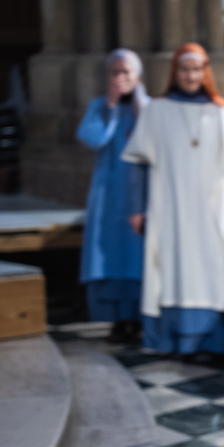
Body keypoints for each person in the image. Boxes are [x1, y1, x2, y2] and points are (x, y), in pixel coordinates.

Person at [122, 43, 224, 359]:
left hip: (214, 209)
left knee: (215, 271)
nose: (191, 76)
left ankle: (215, 343)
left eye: (196, 70)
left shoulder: (221, 112)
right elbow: (139, 164)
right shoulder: (156, 111)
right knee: (171, 270)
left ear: (205, 72)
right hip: (170, 208)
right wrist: (136, 207)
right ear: (175, 72)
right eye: (185, 69)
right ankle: (171, 341)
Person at [76, 48, 149, 343]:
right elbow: (93, 138)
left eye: (126, 72)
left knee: (138, 253)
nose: (121, 78)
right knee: (109, 253)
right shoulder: (99, 106)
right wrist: (111, 107)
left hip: (139, 192)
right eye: (115, 72)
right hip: (108, 192)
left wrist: (140, 109)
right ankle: (117, 318)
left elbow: (154, 143)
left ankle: (141, 317)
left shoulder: (148, 107)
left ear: (137, 75)